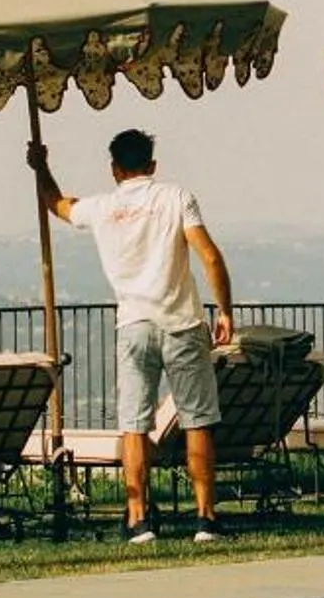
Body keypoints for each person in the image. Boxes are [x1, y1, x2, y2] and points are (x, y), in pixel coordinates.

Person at [30, 127, 235, 544]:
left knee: (134, 424)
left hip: (134, 324)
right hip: (182, 321)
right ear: (152, 165)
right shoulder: (176, 198)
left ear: (114, 169)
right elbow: (210, 256)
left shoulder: (103, 207)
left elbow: (58, 205)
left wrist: (40, 167)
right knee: (198, 421)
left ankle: (139, 518)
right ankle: (206, 518)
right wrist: (226, 311)